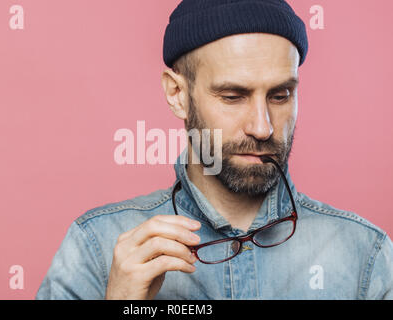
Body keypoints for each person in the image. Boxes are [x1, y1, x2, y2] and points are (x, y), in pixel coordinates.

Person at [36, 0, 393, 300]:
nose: (262, 127)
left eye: (280, 95)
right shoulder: (96, 248)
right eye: (233, 96)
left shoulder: (365, 255)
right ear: (178, 94)